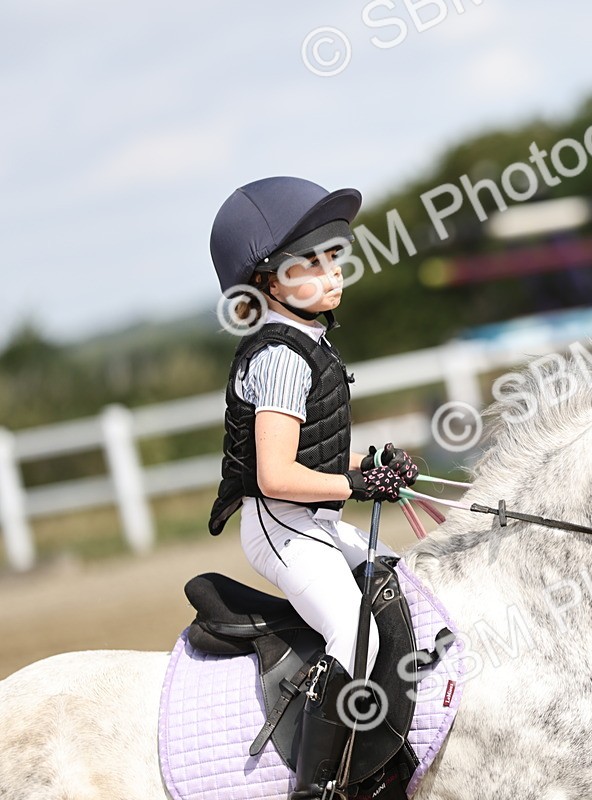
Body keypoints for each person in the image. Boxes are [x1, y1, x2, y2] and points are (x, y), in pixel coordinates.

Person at [207, 176, 419, 799]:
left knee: (399, 583)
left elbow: (312, 450)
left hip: (313, 524)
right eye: (311, 264)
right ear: (270, 282)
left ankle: (382, 745)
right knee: (356, 635)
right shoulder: (277, 356)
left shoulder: (308, 342)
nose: (331, 275)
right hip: (282, 531)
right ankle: (317, 786)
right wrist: (356, 482)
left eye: (334, 259)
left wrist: (372, 460)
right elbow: (275, 476)